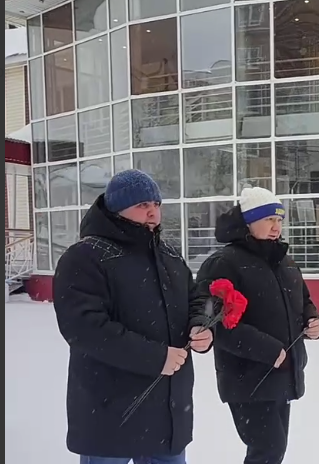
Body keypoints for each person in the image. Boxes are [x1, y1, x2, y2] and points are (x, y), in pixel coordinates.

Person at [52, 170, 213, 464]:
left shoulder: (169, 255)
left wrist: (201, 324)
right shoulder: (85, 256)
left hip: (167, 414)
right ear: (117, 208)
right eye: (142, 205)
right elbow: (84, 327)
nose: (153, 212)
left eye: (156, 204)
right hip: (110, 412)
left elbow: (196, 299)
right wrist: (155, 357)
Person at [196, 186, 319, 464]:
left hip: (284, 373)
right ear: (248, 221)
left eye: (279, 220)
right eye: (269, 219)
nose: (276, 226)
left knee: (273, 451)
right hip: (248, 378)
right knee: (268, 451)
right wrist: (266, 349)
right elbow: (212, 322)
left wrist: (314, 320)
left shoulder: (285, 262)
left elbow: (303, 301)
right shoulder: (223, 263)